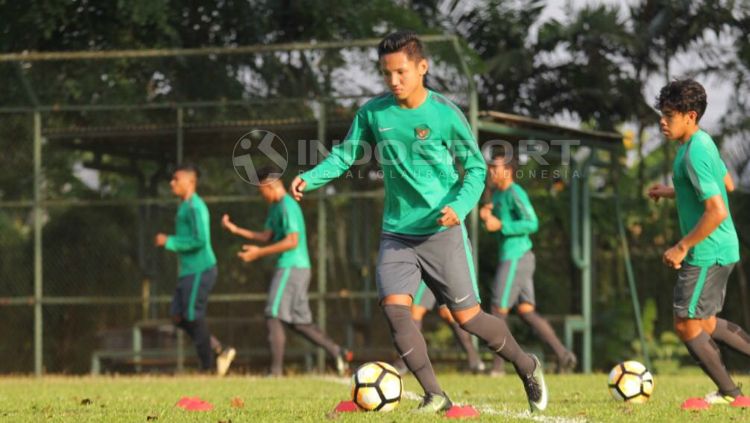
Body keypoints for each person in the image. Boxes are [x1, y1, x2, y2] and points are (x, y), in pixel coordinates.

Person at [290, 31, 547, 413]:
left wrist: (459, 207)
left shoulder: (444, 114)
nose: (393, 81)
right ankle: (435, 394)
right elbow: (346, 155)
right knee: (396, 311)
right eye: (386, 74)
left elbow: (475, 168)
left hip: (443, 232)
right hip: (397, 234)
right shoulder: (374, 113)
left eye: (401, 72)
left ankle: (526, 364)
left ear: (422, 68)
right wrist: (310, 177)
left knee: (469, 319)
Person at [648, 79, 750, 409]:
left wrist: (682, 246)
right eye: (661, 114)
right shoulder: (698, 145)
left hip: (707, 250)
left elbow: (717, 210)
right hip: (719, 248)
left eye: (669, 115)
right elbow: (727, 185)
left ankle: (731, 395)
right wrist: (671, 191)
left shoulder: (695, 152)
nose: (662, 121)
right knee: (704, 322)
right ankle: (730, 393)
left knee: (685, 323)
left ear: (690, 116)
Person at [222, 167, 351, 377]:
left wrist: (258, 254)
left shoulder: (287, 205)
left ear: (271, 185)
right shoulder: (275, 207)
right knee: (298, 322)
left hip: (292, 266)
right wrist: (236, 230)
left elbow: (292, 241)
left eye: (260, 190)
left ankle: (275, 372)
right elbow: (266, 236)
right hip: (297, 268)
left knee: (273, 313)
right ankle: (338, 352)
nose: (260, 194)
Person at [480, 154, 577, 375]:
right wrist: (487, 218)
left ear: (509, 171)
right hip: (514, 256)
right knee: (526, 311)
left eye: (496, 168)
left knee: (497, 308)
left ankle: (497, 367)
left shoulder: (515, 192)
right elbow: (496, 226)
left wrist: (501, 224)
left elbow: (532, 222)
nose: (491, 172)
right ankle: (564, 356)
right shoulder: (497, 195)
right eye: (490, 168)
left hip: (517, 257)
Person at [155, 163, 236, 376]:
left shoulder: (195, 207)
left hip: (201, 269)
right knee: (178, 316)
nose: (172, 183)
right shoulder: (183, 206)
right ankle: (219, 349)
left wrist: (169, 241)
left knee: (192, 316)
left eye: (176, 179)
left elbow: (200, 239)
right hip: (188, 271)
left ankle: (207, 367)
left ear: (190, 182)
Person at [392, 281, 485, 375]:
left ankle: (402, 364)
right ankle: (475, 361)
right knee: (447, 313)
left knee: (416, 310)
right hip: (447, 270)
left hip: (431, 270)